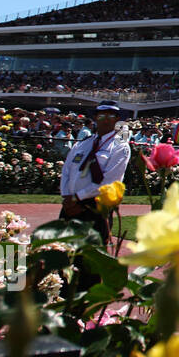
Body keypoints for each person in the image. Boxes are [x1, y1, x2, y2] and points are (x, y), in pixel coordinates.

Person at [59, 101, 130, 251]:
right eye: (102, 115)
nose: (106, 119)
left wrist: (77, 198)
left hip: (95, 208)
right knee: (62, 255)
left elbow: (109, 181)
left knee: (90, 262)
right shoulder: (83, 143)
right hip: (69, 206)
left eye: (111, 115)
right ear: (95, 118)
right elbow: (66, 171)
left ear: (117, 120)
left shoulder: (120, 147)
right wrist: (67, 196)